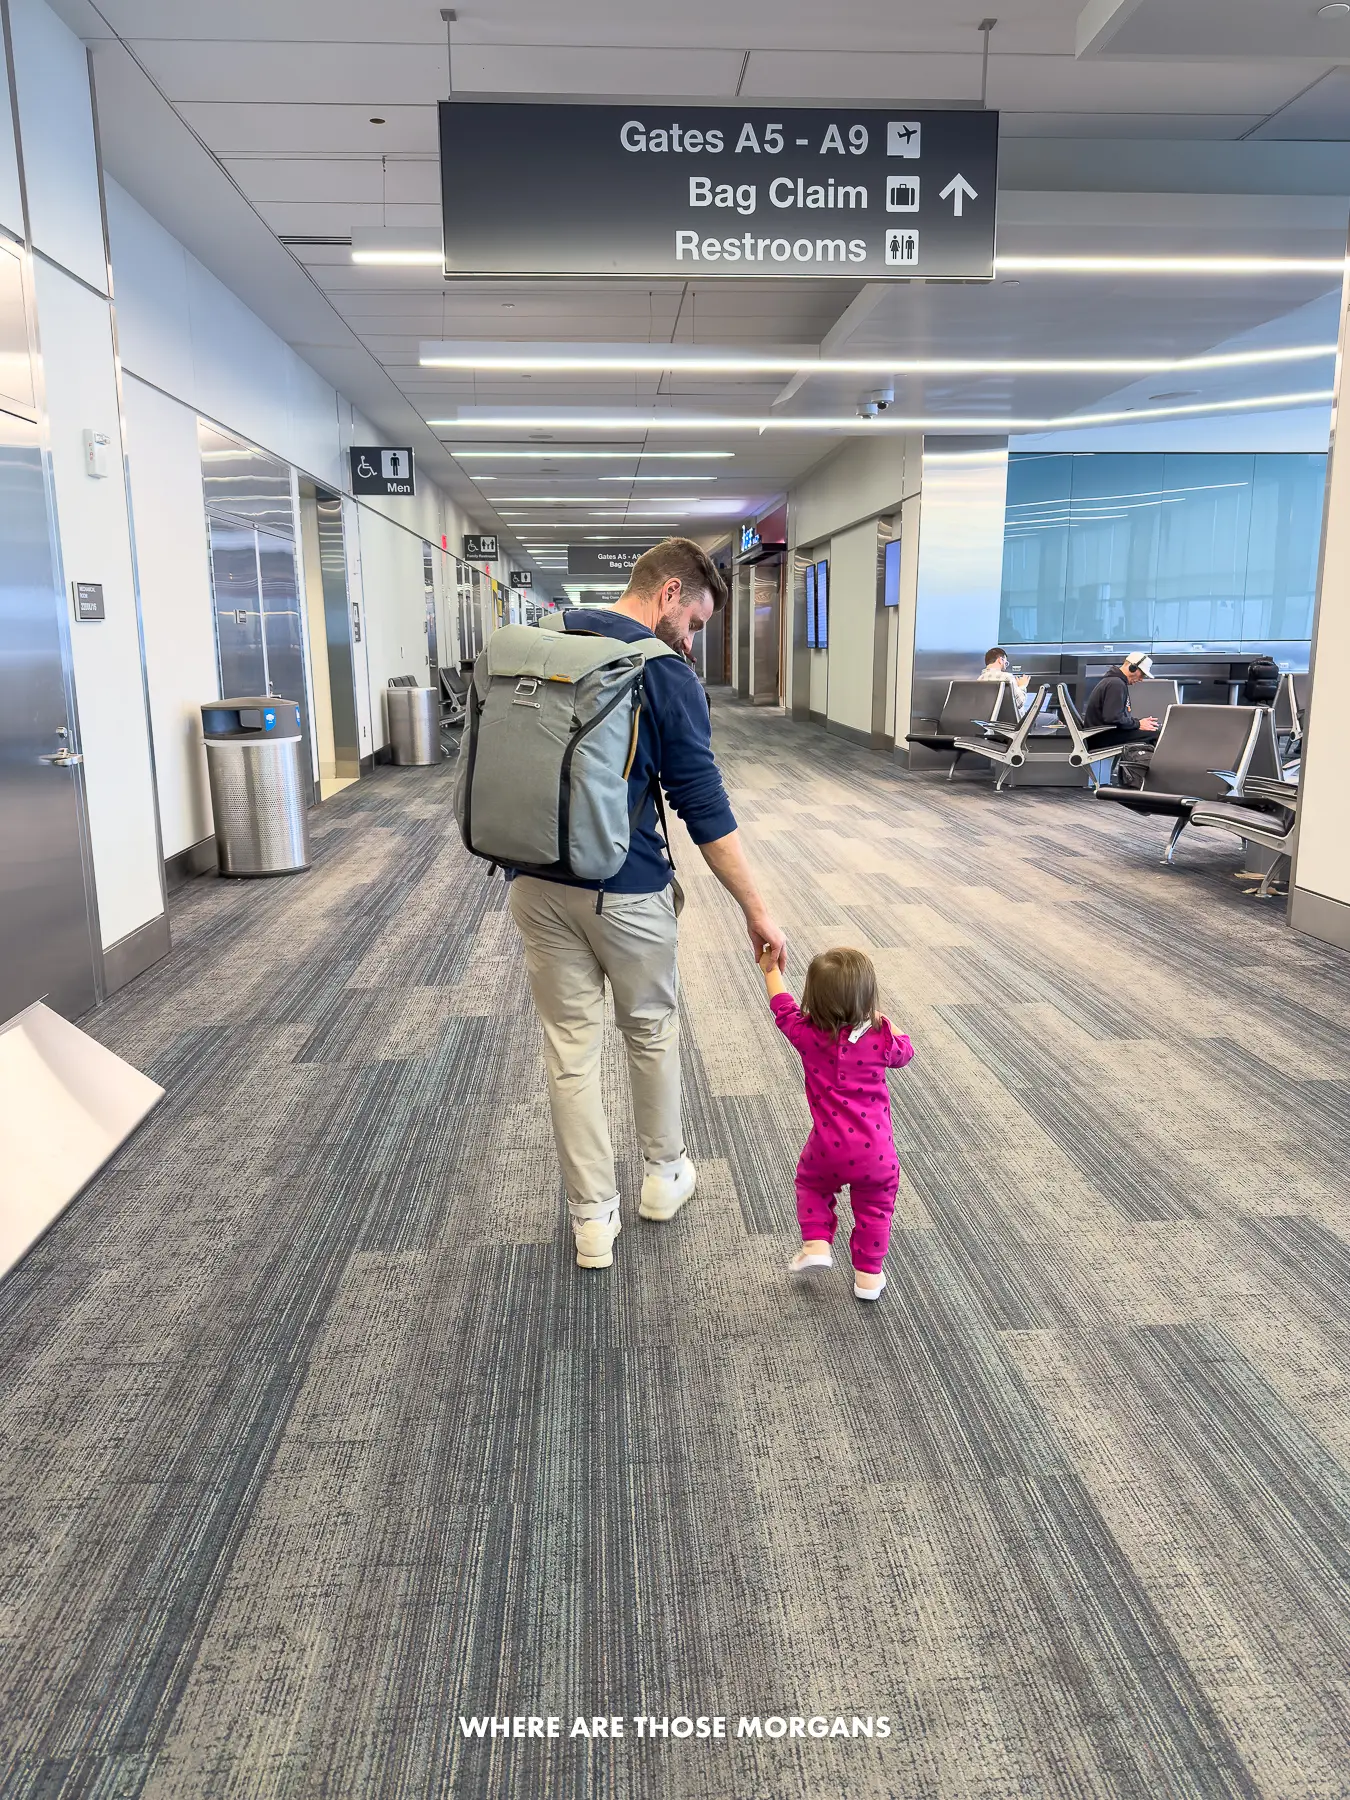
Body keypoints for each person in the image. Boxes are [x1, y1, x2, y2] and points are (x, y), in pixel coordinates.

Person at [506, 538, 787, 1272]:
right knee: (650, 1029)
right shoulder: (662, 673)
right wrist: (756, 908)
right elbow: (703, 805)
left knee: (571, 1047)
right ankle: (663, 1179)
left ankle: (591, 1221)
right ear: (667, 593)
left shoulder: (549, 639)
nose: (692, 639)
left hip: (532, 881)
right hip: (623, 888)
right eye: (693, 621)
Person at [758, 945, 914, 1302]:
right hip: (877, 1154)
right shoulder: (882, 1040)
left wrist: (770, 970)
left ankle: (816, 1244)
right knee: (875, 1208)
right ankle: (868, 1278)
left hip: (826, 1148)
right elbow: (906, 1051)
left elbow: (781, 1007)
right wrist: (880, 1018)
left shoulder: (806, 1034)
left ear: (812, 999)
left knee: (811, 1184)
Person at [1082, 651, 1160, 749]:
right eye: (1142, 674)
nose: (1141, 679)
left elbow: (1115, 717)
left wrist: (1138, 723)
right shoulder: (1116, 684)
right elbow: (1113, 718)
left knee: (1152, 731)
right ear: (1133, 668)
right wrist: (1138, 724)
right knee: (1157, 735)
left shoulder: (1114, 682)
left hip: (1102, 735)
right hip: (1103, 737)